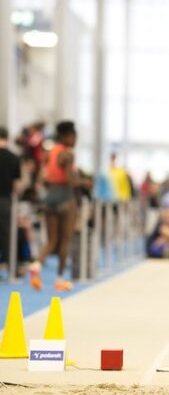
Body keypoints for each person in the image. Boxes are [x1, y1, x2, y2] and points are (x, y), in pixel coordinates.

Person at [29, 121, 88, 291]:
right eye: (74, 137)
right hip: (65, 198)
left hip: (50, 198)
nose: (75, 141)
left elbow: (43, 178)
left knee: (51, 241)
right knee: (65, 240)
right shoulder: (67, 155)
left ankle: (36, 265)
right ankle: (60, 279)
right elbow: (70, 180)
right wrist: (84, 182)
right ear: (67, 136)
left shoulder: (49, 152)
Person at [0, 126, 22, 278]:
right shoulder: (14, 157)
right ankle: (13, 270)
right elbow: (17, 185)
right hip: (5, 201)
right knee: (8, 236)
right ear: (7, 138)